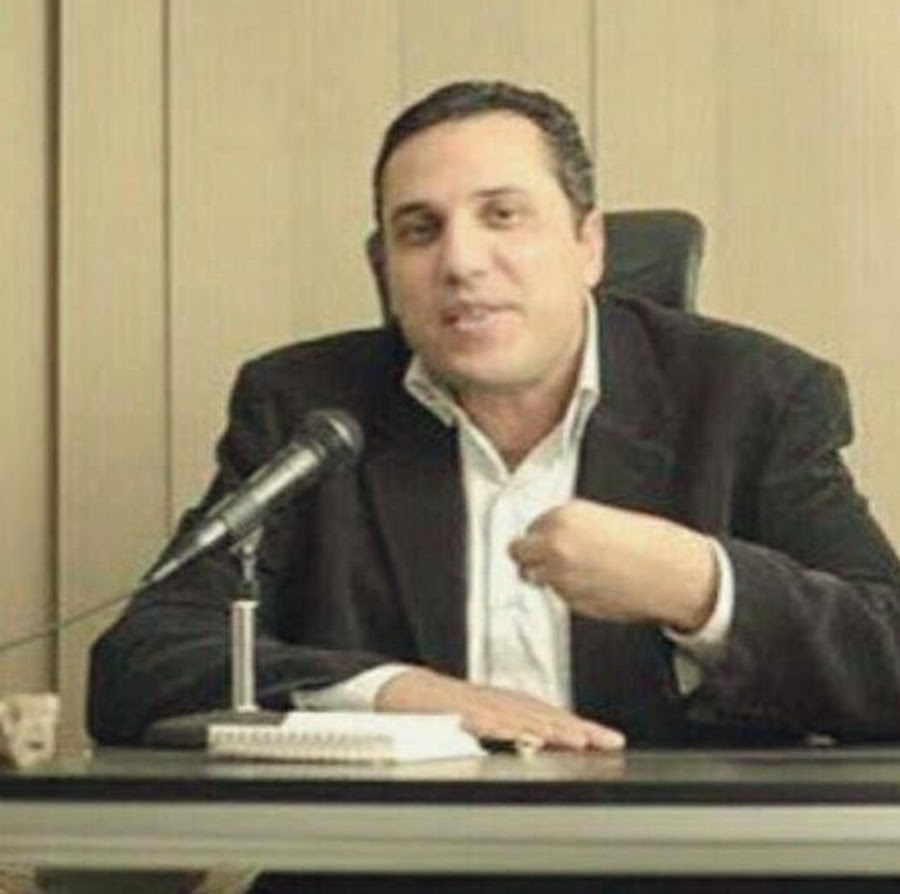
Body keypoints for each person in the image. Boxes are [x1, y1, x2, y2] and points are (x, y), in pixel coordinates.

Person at [90, 80, 900, 753]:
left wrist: (700, 586)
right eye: (419, 231)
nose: (461, 261)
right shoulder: (306, 408)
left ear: (589, 245)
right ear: (386, 267)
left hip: (688, 865)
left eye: (502, 215)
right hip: (391, 863)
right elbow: (141, 660)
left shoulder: (751, 398)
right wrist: (392, 695)